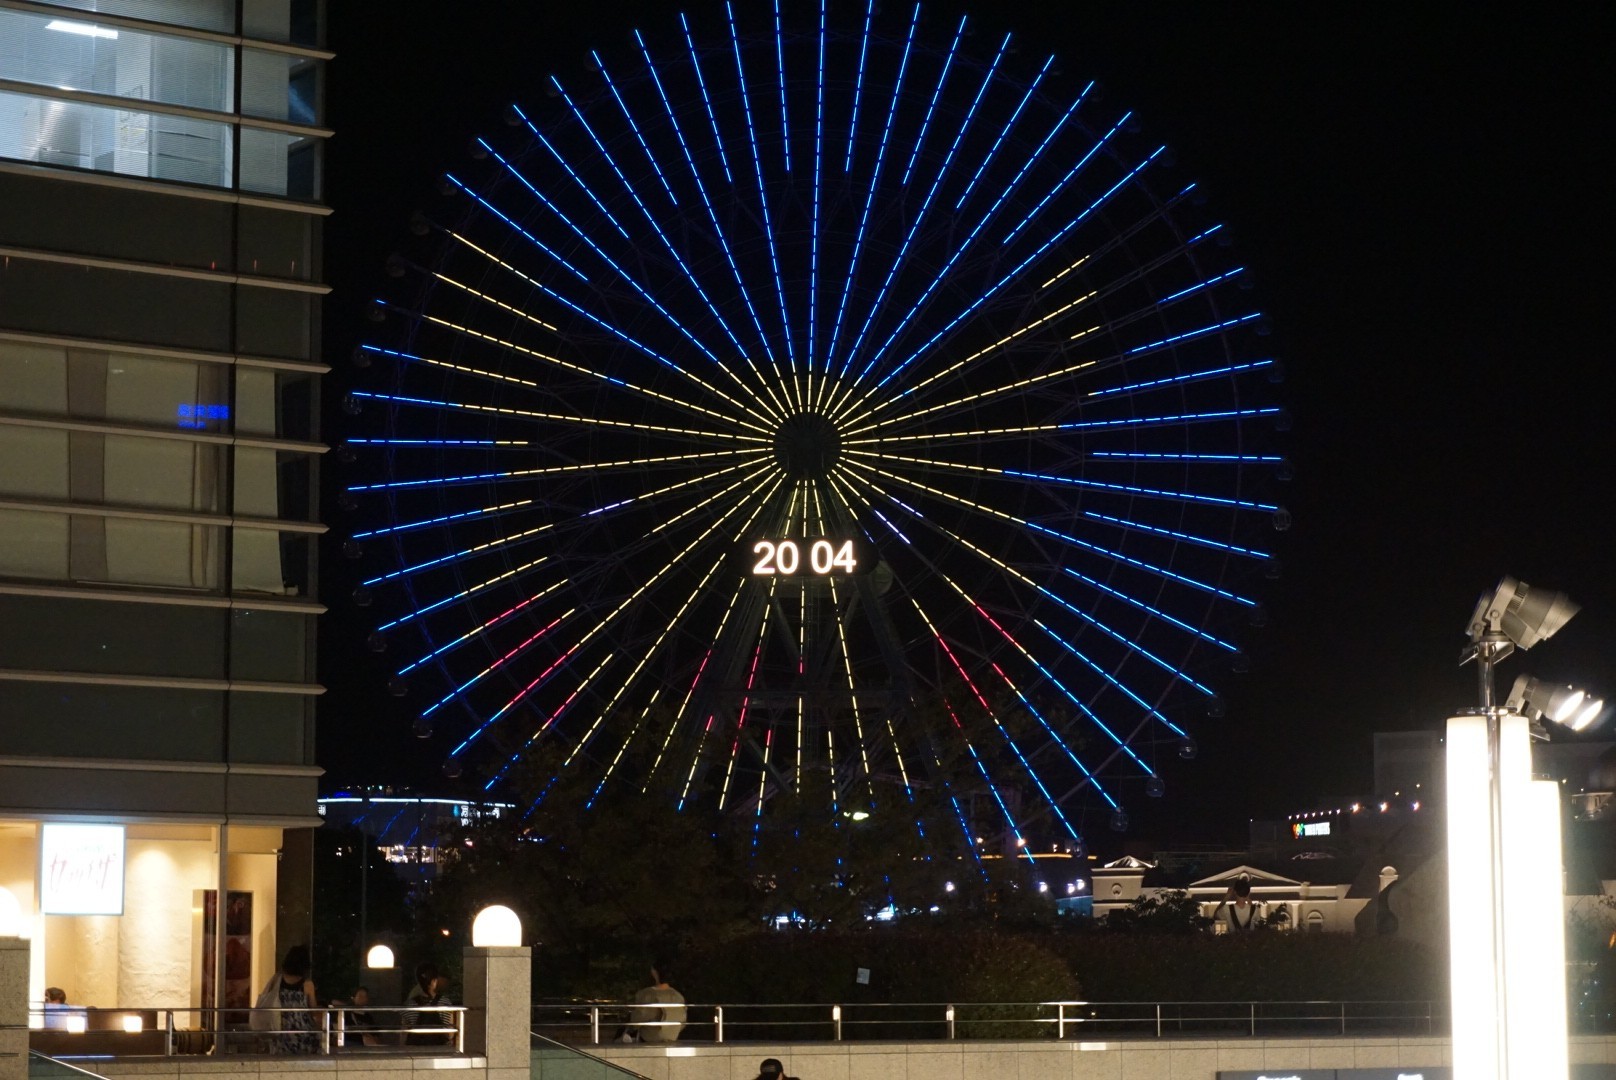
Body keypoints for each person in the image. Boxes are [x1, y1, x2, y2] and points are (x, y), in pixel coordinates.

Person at [619, 963, 685, 1043]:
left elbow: (639, 1017)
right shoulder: (678, 996)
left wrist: (632, 1025)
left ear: (654, 973)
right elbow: (683, 1021)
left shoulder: (648, 994)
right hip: (672, 1035)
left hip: (652, 1036)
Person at [273, 945, 320, 1054]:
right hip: (302, 1031)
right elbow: (313, 1009)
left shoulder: (277, 981)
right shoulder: (307, 984)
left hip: (281, 1030)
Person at [404, 962, 454, 1046]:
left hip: (415, 1050)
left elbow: (404, 1034)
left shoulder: (409, 1004)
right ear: (434, 981)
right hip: (439, 1050)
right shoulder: (444, 1003)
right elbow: (450, 1033)